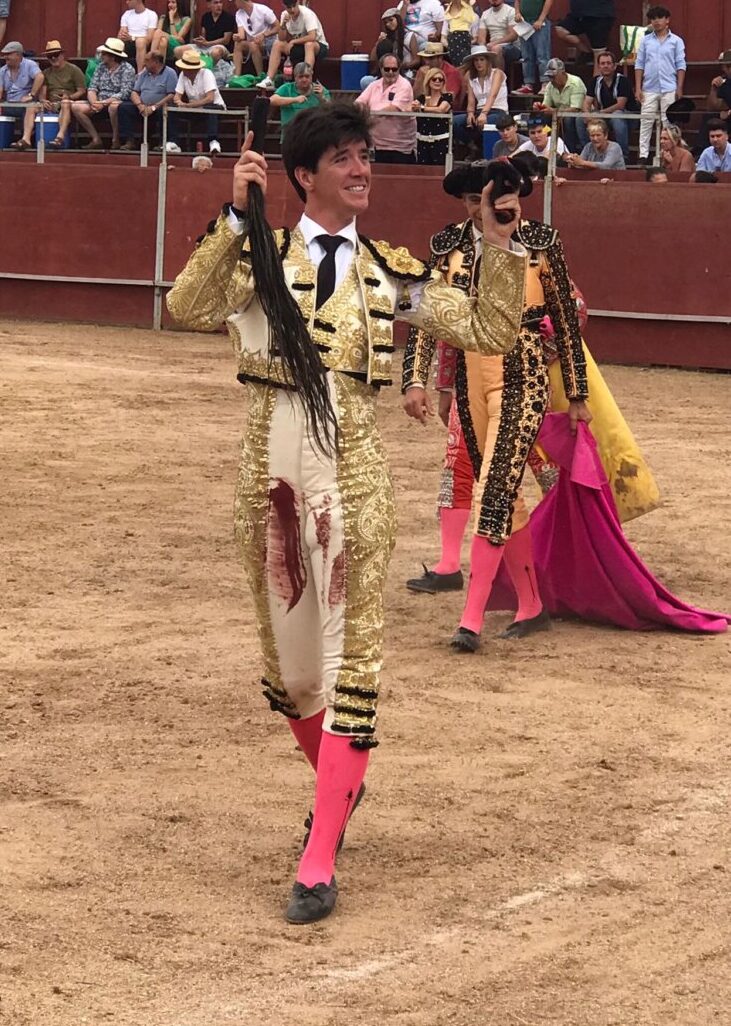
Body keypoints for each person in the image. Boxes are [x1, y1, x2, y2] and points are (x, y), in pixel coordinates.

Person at [166, 102, 528, 924]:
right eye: (345, 159)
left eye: (365, 156)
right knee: (296, 681)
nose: (363, 170)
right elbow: (185, 306)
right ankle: (341, 786)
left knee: (351, 669)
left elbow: (489, 327)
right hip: (269, 488)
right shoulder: (256, 252)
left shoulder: (387, 273)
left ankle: (318, 855)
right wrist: (232, 212)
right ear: (305, 175)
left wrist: (499, 243)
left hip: (352, 482)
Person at [401, 158, 591, 652]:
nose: (486, 206)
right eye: (475, 198)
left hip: (523, 369)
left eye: (500, 196)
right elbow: (427, 314)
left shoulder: (543, 242)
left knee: (497, 489)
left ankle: (471, 619)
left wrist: (577, 394)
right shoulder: (448, 246)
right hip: (470, 372)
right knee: (504, 489)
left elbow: (566, 321)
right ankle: (530, 605)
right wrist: (414, 382)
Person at [634, 6, 686, 165]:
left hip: (669, 86)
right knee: (646, 121)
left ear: (667, 20)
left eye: (659, 17)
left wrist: (679, 87)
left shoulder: (676, 41)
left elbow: (681, 65)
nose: (656, 21)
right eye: (653, 18)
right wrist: (638, 87)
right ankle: (643, 156)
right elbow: (639, 64)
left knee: (668, 123)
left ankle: (668, 155)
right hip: (649, 87)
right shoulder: (645, 41)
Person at [71, 38, 135, 151]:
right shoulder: (100, 67)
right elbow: (92, 87)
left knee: (114, 106)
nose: (101, 56)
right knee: (75, 106)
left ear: (112, 56)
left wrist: (104, 102)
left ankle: (116, 140)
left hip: (116, 101)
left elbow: (125, 92)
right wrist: (94, 102)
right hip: (99, 101)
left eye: (104, 53)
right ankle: (96, 139)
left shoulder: (127, 69)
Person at [356, 54, 417, 163]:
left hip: (400, 149)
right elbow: (360, 103)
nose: (390, 72)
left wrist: (369, 114)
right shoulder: (374, 85)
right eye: (387, 69)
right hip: (377, 146)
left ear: (399, 69)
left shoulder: (404, 85)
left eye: (394, 69)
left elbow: (393, 109)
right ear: (381, 69)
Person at [258, 0, 329, 91]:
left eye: (294, 6)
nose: (292, 10)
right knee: (277, 44)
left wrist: (294, 41)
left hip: (318, 45)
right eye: (288, 7)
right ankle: (269, 79)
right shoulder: (284, 15)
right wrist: (283, 25)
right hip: (298, 46)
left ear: (297, 3)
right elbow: (282, 38)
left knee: (309, 45)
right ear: (284, 7)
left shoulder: (307, 14)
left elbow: (312, 36)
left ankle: (307, 76)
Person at [118, 50, 178, 150]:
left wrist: (154, 107)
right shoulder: (144, 73)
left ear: (156, 62)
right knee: (123, 108)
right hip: (143, 106)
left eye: (147, 60)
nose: (144, 63)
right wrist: (139, 105)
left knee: (163, 111)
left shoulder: (170, 73)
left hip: (159, 106)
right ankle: (129, 140)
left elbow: (171, 95)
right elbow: (134, 92)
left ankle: (162, 142)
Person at [170, 49, 226, 155]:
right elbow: (177, 96)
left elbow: (210, 98)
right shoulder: (182, 75)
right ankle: (174, 142)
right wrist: (179, 103)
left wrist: (187, 105)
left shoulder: (207, 74)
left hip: (215, 108)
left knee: (210, 109)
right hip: (194, 109)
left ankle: (213, 142)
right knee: (171, 109)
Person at [453, 45, 508, 150]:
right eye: (476, 60)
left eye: (482, 60)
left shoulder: (497, 73)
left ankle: (482, 149)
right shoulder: (470, 76)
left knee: (487, 121)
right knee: (455, 122)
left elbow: (493, 95)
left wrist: (484, 113)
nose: (479, 63)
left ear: (487, 61)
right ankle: (472, 145)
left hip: (498, 110)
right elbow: (471, 100)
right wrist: (470, 113)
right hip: (478, 111)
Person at [580, 50, 632, 158]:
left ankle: (624, 155)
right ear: (599, 66)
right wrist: (587, 113)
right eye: (603, 64)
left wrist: (599, 113)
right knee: (579, 119)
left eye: (608, 63)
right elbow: (587, 102)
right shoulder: (595, 81)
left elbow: (620, 105)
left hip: (627, 116)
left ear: (614, 66)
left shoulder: (623, 80)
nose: (606, 66)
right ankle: (587, 153)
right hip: (604, 116)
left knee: (617, 117)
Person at [39, 41, 87, 150]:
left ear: (62, 55)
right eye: (50, 56)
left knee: (65, 104)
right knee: (31, 108)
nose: (53, 58)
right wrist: (43, 101)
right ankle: (26, 139)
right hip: (52, 102)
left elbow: (81, 91)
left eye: (56, 55)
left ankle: (60, 137)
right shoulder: (46, 73)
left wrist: (69, 97)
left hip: (69, 101)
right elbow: (42, 94)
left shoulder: (74, 70)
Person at [535, 56, 586, 153]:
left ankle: (570, 149)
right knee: (543, 119)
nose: (551, 79)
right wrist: (540, 107)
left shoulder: (575, 82)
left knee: (567, 119)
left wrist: (554, 111)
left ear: (562, 73)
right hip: (557, 115)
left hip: (575, 115)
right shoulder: (550, 85)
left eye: (553, 76)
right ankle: (547, 145)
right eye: (549, 77)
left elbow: (575, 109)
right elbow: (546, 105)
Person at [270, 60, 330, 140]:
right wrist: (294, 100)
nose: (304, 79)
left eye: (307, 76)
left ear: (312, 76)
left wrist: (322, 98)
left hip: (314, 136)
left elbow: (331, 110)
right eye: (301, 77)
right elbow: (272, 100)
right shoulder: (287, 88)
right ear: (295, 77)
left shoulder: (320, 89)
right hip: (291, 137)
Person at [0, 41, 42, 150]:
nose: (5, 57)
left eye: (8, 54)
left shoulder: (30, 64)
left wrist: (31, 95)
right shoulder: (2, 70)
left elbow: (40, 77)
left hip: (26, 104)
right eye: (5, 54)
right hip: (9, 104)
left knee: (30, 107)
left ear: (18, 54)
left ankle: (26, 140)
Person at [412, 66, 453, 164]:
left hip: (441, 141)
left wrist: (422, 108)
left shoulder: (447, 97)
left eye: (440, 79)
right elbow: (411, 107)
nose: (437, 81)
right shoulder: (422, 98)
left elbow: (441, 109)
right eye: (434, 79)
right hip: (422, 140)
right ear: (428, 81)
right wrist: (414, 106)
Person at [512, 0, 553, 95]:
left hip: (540, 23)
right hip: (524, 23)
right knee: (526, 56)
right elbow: (517, 1)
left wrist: (541, 19)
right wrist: (517, 13)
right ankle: (528, 84)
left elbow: (549, 1)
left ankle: (545, 83)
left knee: (542, 55)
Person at [232, 0, 280, 78]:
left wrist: (264, 35)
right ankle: (236, 76)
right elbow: (242, 35)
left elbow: (277, 27)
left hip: (267, 41)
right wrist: (237, 37)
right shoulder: (239, 14)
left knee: (253, 45)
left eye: (235, 1)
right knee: (238, 44)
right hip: (252, 42)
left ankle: (260, 75)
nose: (234, 3)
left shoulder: (262, 9)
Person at [697, 49, 731, 152]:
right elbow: (712, 107)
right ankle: (702, 151)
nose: (729, 70)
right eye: (727, 67)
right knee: (709, 117)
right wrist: (714, 89)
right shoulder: (726, 83)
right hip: (728, 118)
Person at [413, 41, 464, 110]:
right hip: (426, 111)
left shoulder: (452, 72)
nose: (427, 62)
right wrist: (421, 78)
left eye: (431, 58)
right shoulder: (422, 71)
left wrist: (423, 108)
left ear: (440, 58)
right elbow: (415, 97)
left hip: (449, 113)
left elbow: (449, 100)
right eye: (426, 58)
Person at [368, 8, 418, 76]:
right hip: (388, 73)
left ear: (398, 19)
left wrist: (401, 66)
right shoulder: (386, 38)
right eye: (386, 22)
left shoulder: (409, 36)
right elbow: (373, 59)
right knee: (365, 81)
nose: (388, 24)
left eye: (391, 20)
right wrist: (378, 43)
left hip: (406, 72)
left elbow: (417, 60)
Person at [477, 0, 522, 76]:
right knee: (478, 52)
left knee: (496, 49)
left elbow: (513, 36)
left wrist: (494, 43)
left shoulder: (510, 11)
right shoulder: (485, 14)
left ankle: (500, 82)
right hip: (492, 46)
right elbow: (481, 38)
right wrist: (482, 48)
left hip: (512, 47)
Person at [118, 0, 158, 73]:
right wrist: (122, 35)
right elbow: (121, 33)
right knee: (114, 43)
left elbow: (149, 38)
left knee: (140, 42)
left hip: (144, 44)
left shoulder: (151, 15)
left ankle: (140, 74)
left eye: (129, 0)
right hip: (128, 43)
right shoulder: (127, 14)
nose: (127, 2)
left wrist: (132, 38)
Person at [441, 0, 480, 68]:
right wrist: (450, 45)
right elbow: (443, 38)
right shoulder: (448, 16)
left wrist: (462, 44)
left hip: (467, 44)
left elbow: (475, 39)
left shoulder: (474, 16)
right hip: (451, 44)